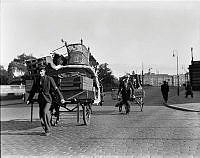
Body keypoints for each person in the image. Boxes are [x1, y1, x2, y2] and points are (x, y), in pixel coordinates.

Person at [26, 66, 65, 136]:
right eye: (39, 71)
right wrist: (29, 99)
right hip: (41, 99)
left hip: (48, 99)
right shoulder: (36, 80)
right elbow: (33, 91)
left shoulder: (49, 79)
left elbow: (56, 89)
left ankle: (47, 130)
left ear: (44, 71)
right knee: (42, 114)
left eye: (42, 71)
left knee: (45, 112)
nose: (40, 73)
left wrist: (61, 98)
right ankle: (47, 126)